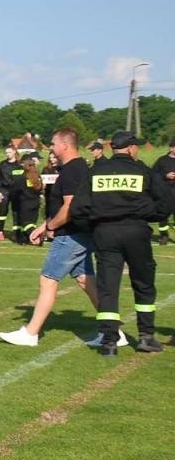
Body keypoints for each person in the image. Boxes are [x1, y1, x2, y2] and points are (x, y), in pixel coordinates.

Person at [0, 129, 104, 347]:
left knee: (48, 280)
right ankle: (113, 330)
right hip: (79, 233)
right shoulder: (76, 168)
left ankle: (30, 333)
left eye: (54, 144)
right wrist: (43, 226)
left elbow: (70, 207)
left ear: (65, 145)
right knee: (86, 280)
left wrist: (50, 227)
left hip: (70, 235)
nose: (51, 148)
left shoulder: (72, 170)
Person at [75, 131, 174, 355]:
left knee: (108, 287)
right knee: (144, 283)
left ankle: (109, 342)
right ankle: (146, 337)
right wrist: (149, 216)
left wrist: (93, 227)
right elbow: (166, 202)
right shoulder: (142, 171)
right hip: (136, 231)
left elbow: (78, 208)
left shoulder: (96, 172)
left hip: (104, 232)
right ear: (130, 149)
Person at [0, 146, 19, 241]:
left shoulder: (20, 164)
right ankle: (0, 231)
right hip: (4, 190)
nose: (8, 154)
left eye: (10, 152)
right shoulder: (2, 164)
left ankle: (16, 233)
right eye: (6, 152)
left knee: (16, 211)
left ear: (14, 152)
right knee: (2, 211)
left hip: (16, 191)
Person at [153, 138, 175, 245]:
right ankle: (164, 236)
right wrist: (165, 175)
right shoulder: (162, 160)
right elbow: (153, 174)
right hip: (165, 192)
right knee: (163, 215)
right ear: (171, 148)